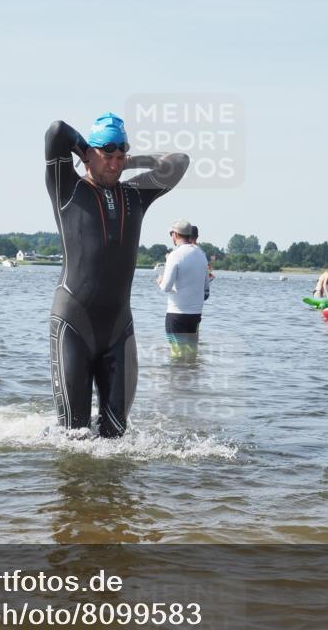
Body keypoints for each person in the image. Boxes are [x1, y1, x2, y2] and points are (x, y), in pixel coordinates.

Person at [46, 112, 189, 437]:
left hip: (118, 332)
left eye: (120, 157)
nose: (114, 164)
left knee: (116, 435)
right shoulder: (67, 189)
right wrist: (83, 148)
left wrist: (131, 158)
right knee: (74, 438)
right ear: (88, 156)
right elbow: (57, 132)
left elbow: (179, 162)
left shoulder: (135, 194)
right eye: (107, 156)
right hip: (72, 326)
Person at [158, 220, 210, 358]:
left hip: (176, 314)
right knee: (191, 356)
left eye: (171, 234)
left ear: (175, 234)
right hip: (195, 315)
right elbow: (206, 289)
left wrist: (160, 280)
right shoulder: (201, 255)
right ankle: (191, 378)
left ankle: (177, 379)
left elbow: (166, 287)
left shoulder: (174, 255)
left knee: (177, 357)